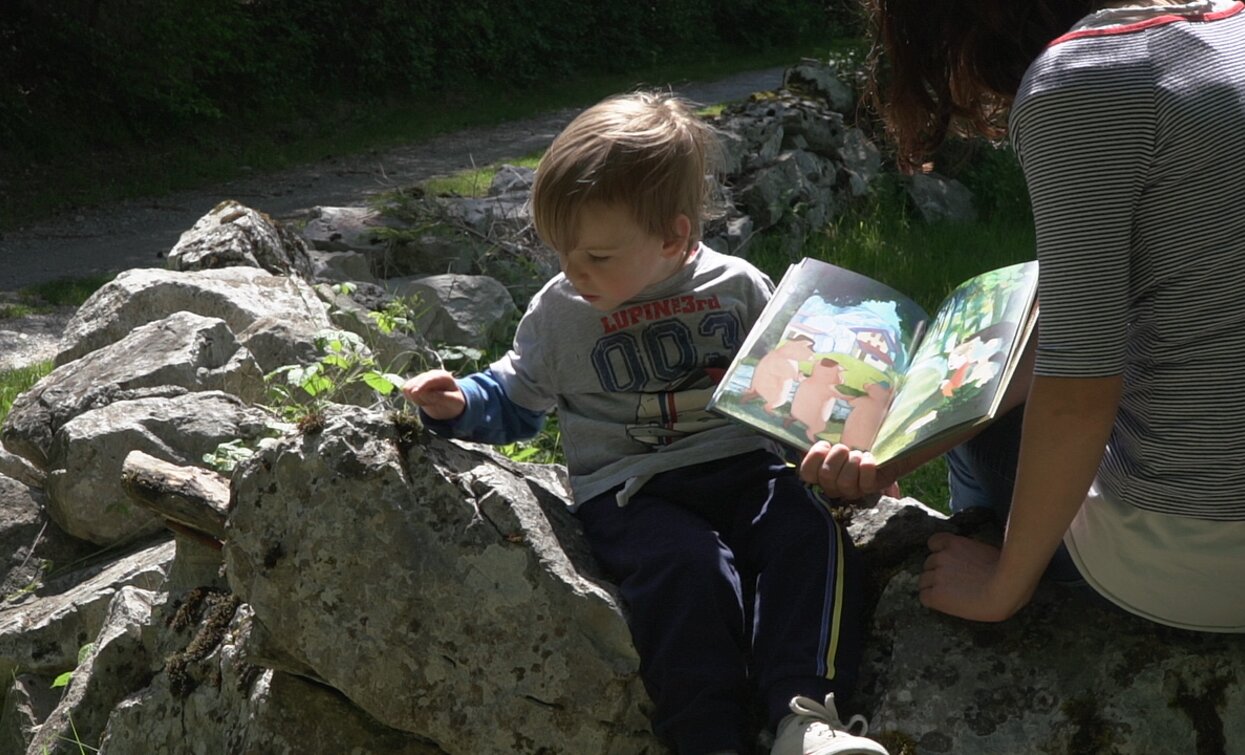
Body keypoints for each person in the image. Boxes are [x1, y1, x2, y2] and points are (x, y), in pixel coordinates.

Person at [402, 92, 889, 755]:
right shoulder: (560, 311)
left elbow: (797, 385)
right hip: (635, 489)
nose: (573, 271)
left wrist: (855, 440)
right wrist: (460, 402)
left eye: (597, 256)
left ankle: (804, 716)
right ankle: (707, 736)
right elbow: (518, 391)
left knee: (805, 533)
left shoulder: (737, 286)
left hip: (747, 467)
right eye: (560, 251)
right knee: (687, 571)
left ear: (675, 237)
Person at [802, 0, 1245, 632]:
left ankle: (987, 548)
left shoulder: (1083, 79)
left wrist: (1004, 583)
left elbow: (1080, 386)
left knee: (988, 429)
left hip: (1198, 555)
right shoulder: (1228, 28)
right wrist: (898, 455)